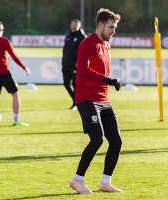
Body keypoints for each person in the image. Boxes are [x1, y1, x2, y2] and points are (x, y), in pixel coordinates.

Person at [70, 8, 122, 194]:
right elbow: (83, 71)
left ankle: (105, 182)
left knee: (116, 141)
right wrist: (108, 80)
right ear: (100, 25)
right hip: (86, 99)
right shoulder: (87, 43)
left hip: (103, 99)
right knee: (97, 139)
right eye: (111, 27)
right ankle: (77, 180)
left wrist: (110, 82)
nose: (113, 31)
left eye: (115, 27)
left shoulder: (106, 45)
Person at [0, 21, 31, 126]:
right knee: (15, 94)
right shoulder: (5, 41)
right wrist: (25, 68)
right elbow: (14, 57)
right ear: (2, 30)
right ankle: (16, 120)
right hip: (4, 73)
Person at [62, 19, 86, 110]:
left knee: (76, 85)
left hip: (76, 66)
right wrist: (63, 62)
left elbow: (84, 53)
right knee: (66, 83)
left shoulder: (82, 37)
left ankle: (77, 104)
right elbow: (64, 51)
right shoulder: (68, 36)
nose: (73, 27)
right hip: (66, 65)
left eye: (75, 26)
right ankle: (75, 101)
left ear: (79, 26)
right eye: (72, 25)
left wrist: (78, 64)